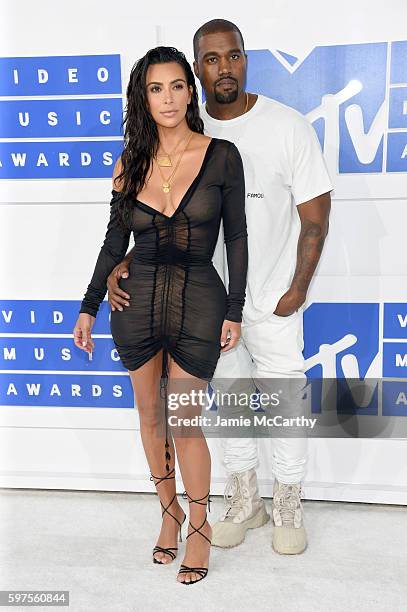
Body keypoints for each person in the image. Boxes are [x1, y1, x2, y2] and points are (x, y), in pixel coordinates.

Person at [106, 20, 333, 556]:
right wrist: (125, 263)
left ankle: (289, 503)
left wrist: (297, 287)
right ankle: (244, 500)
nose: (223, 67)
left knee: (283, 402)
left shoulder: (287, 126)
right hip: (207, 303)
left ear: (245, 59)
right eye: (210, 59)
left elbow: (316, 217)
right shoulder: (186, 126)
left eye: (232, 56)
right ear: (196, 68)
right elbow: (169, 218)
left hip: (274, 298)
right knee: (229, 404)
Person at [73, 46, 248, 584]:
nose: (168, 98)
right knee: (150, 416)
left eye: (176, 86)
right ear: (142, 98)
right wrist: (88, 305)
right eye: (156, 88)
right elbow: (113, 240)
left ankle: (200, 524)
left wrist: (235, 309)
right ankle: (168, 515)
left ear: (190, 91)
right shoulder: (130, 162)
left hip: (200, 299)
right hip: (137, 299)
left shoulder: (222, 155)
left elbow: (238, 237)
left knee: (184, 420)